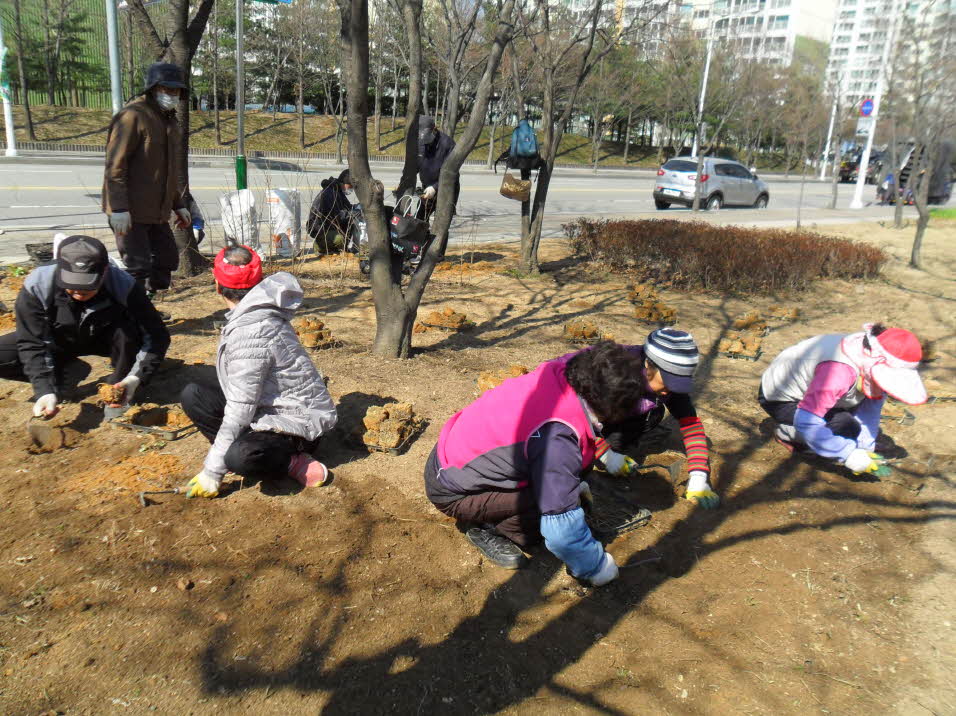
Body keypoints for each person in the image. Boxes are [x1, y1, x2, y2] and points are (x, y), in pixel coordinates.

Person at [180, 245, 338, 498]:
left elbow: (240, 407)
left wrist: (212, 471)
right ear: (259, 281)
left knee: (240, 458)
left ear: (217, 284)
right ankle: (244, 446)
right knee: (194, 394)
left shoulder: (251, 332)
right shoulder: (252, 314)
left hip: (296, 424)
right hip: (265, 410)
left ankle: (290, 460)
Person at [0, 236, 170, 419]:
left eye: (88, 286)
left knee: (127, 333)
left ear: (104, 271)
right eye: (71, 286)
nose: (79, 293)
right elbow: (31, 341)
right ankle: (64, 374)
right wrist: (44, 389)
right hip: (59, 337)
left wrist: (136, 377)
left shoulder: (123, 284)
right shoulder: (38, 284)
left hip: (107, 337)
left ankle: (120, 388)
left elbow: (157, 335)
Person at [759, 324, 926, 476]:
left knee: (852, 429)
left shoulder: (869, 355)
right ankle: (787, 433)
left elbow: (870, 412)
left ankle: (830, 435)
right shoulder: (838, 372)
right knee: (844, 426)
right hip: (781, 397)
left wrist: (864, 448)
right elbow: (807, 420)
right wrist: (848, 453)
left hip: (816, 391)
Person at [589, 328, 719, 509]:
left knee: (653, 413)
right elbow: (574, 422)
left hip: (620, 410)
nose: (669, 390)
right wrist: (605, 455)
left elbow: (690, 423)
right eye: (667, 382)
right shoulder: (612, 377)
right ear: (648, 364)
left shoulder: (667, 381)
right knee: (587, 456)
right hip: (570, 419)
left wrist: (699, 476)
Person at [102, 62, 191, 295]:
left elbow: (166, 171)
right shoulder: (132, 116)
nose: (172, 95)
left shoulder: (168, 120)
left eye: (176, 90)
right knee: (137, 266)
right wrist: (118, 208)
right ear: (153, 88)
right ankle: (133, 317)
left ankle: (145, 308)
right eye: (166, 89)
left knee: (166, 260)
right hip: (130, 211)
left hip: (158, 211)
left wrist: (178, 205)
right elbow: (115, 165)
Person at [414, 115, 458, 221]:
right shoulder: (419, 142)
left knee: (441, 224)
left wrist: (435, 187)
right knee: (419, 219)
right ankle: (423, 237)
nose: (424, 142)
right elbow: (414, 165)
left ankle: (439, 237)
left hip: (446, 189)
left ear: (434, 129)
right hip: (427, 189)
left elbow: (451, 173)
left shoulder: (448, 144)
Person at [306, 169, 355, 254]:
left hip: (331, 228)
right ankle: (319, 246)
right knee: (340, 239)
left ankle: (331, 246)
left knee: (351, 228)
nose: (351, 189)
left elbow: (348, 207)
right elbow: (337, 216)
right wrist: (351, 214)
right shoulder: (329, 193)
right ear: (344, 183)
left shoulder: (337, 191)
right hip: (321, 231)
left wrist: (357, 209)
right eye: (350, 186)